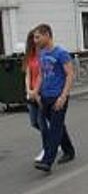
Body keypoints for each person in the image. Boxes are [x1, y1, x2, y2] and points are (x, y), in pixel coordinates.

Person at [32, 24, 76, 173]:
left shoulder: (61, 53)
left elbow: (70, 75)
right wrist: (36, 92)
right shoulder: (42, 53)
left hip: (58, 96)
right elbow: (41, 75)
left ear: (47, 35)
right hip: (45, 96)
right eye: (34, 37)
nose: (35, 40)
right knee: (58, 126)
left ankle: (47, 161)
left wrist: (63, 96)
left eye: (37, 37)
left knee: (54, 128)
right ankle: (69, 151)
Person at [23, 29, 46, 162]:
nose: (35, 41)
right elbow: (27, 75)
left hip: (42, 93)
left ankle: (46, 149)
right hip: (31, 93)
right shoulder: (30, 56)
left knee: (42, 123)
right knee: (34, 122)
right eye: (32, 39)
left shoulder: (44, 55)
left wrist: (36, 92)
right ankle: (56, 139)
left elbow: (42, 76)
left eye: (37, 38)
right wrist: (29, 91)